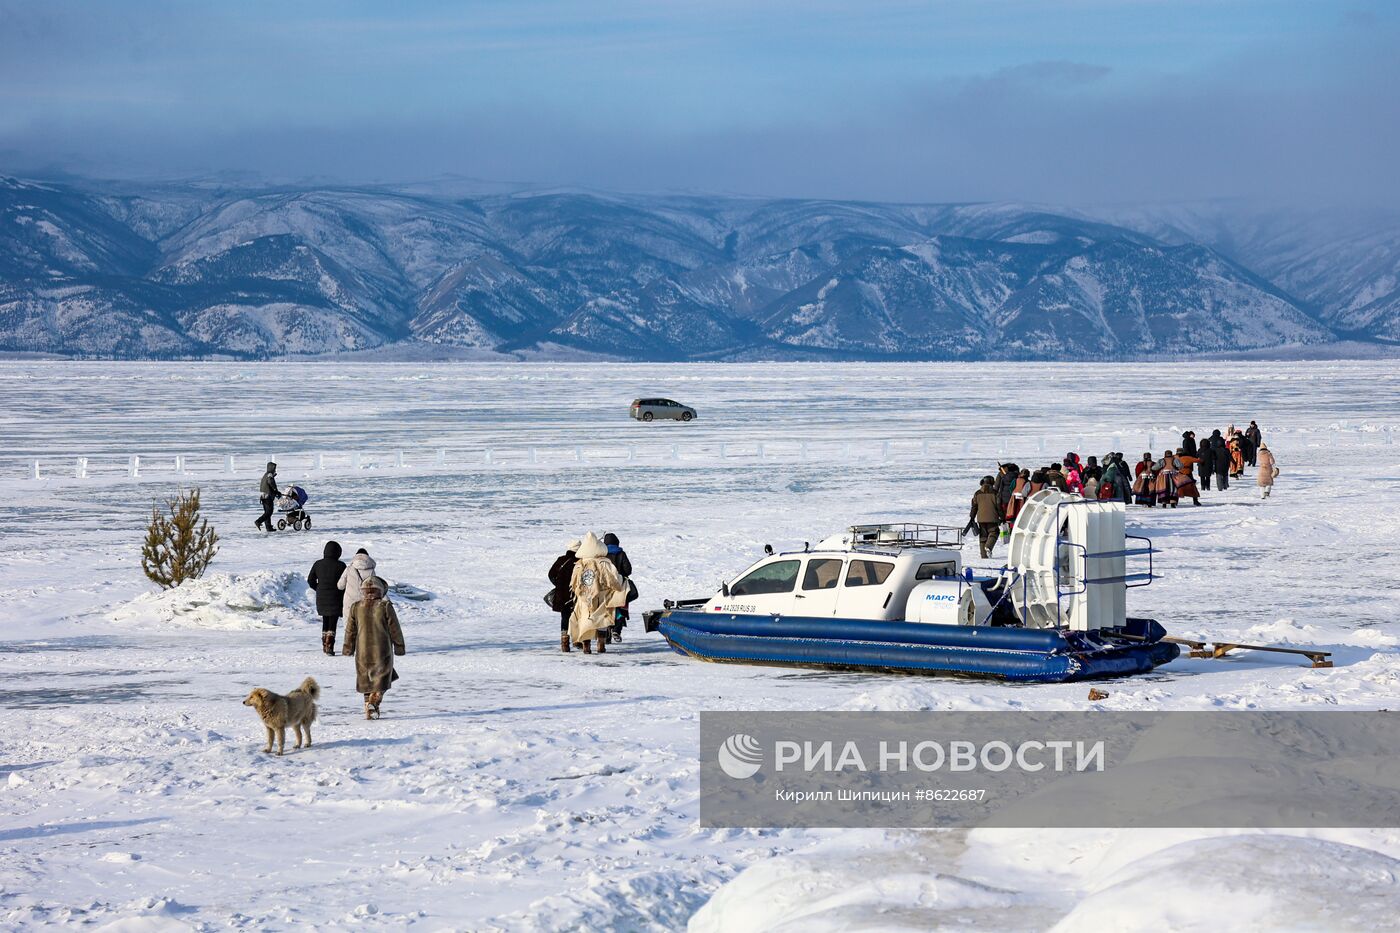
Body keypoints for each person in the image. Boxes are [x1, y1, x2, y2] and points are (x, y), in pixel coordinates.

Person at [342, 576, 404, 720]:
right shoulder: (385, 606)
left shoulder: (356, 606)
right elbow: (395, 628)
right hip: (381, 650)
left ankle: (370, 712)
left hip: (362, 651)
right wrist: (399, 646)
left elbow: (350, 630)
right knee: (383, 679)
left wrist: (348, 648)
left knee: (367, 682)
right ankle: (374, 701)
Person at [569, 532, 627, 654]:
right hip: (601, 596)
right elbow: (613, 579)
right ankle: (601, 644)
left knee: (584, 619)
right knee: (602, 619)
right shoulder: (603, 563)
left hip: (584, 598)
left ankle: (586, 645)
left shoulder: (579, 564)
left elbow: (573, 584)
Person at [307, 540, 347, 655]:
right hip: (336, 597)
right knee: (332, 622)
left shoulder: (318, 564)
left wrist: (318, 588)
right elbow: (344, 582)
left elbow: (310, 580)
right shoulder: (341, 565)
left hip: (322, 597)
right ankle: (330, 646)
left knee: (325, 620)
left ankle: (325, 645)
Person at [549, 540, 580, 652]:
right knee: (578, 616)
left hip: (562, 594)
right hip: (575, 594)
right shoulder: (579, 562)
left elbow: (551, 574)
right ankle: (577, 640)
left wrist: (558, 585)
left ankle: (564, 643)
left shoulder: (561, 560)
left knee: (565, 616)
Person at [603, 532, 633, 642]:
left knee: (607, 609)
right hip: (620, 586)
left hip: (605, 587)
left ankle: (606, 634)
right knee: (620, 608)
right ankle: (616, 629)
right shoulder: (621, 554)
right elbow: (628, 570)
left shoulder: (602, 555)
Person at [338, 548, 378, 619]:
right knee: (363, 626)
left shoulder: (349, 569)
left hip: (349, 603)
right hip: (365, 603)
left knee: (349, 626)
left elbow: (340, 586)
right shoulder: (371, 571)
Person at [970, 477, 1001, 559]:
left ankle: (984, 556)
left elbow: (974, 506)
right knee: (994, 532)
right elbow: (999, 506)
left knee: (983, 536)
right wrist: (1002, 516)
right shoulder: (995, 493)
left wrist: (972, 516)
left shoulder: (977, 493)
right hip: (993, 517)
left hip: (981, 518)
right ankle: (989, 546)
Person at [255, 461, 279, 532]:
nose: (275, 470)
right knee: (269, 512)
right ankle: (258, 521)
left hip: (263, 496)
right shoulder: (269, 475)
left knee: (267, 512)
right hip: (268, 496)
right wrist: (275, 490)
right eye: (274, 468)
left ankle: (268, 527)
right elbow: (270, 482)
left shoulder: (266, 474)